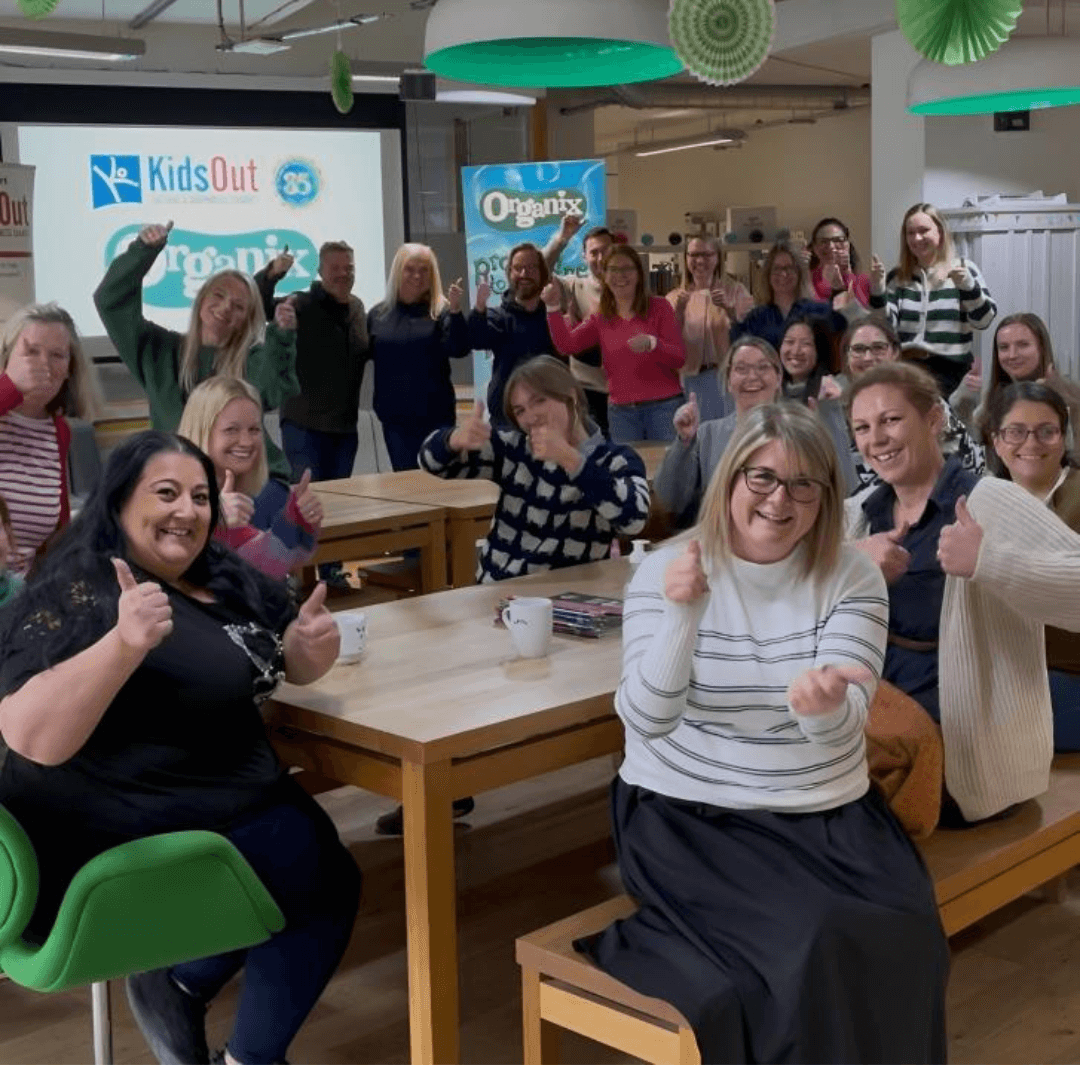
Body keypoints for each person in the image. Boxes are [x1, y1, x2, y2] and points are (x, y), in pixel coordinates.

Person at [579, 401, 948, 1064]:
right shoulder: (666, 569)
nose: (781, 501)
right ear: (730, 480)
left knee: (908, 929)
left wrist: (824, 708)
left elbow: (843, 739)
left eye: (805, 484)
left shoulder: (852, 575)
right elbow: (647, 719)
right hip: (691, 819)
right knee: (810, 944)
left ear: (827, 497)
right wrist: (682, 615)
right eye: (763, 479)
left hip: (828, 816)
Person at [0, 430, 358, 1065]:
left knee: (307, 866)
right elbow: (30, 737)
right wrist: (122, 644)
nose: (188, 510)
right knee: (323, 885)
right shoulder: (87, 583)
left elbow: (270, 659)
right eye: (165, 493)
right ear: (117, 503)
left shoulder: (216, 573)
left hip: (206, 801)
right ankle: (247, 1059)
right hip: (109, 835)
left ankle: (179, 982)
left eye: (199, 496)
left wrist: (304, 653)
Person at [846, 361, 1080, 824]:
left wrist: (990, 563)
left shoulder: (992, 501)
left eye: (891, 420)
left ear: (934, 419)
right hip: (880, 726)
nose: (877, 438)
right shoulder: (858, 513)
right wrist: (850, 562)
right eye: (862, 427)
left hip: (967, 756)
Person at [94, 220, 298, 526]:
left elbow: (270, 391)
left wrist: (281, 336)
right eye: (218, 295)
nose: (225, 307)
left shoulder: (251, 359)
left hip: (252, 481)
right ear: (201, 299)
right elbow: (111, 302)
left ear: (247, 319)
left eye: (239, 306)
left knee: (235, 542)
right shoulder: (159, 351)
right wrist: (143, 252)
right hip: (184, 484)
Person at [420, 355, 650, 582]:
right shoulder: (516, 448)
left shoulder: (616, 459)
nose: (530, 416)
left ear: (571, 397)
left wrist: (571, 459)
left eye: (539, 400)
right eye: (520, 411)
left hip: (570, 597)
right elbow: (431, 464)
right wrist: (453, 440)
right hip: (500, 590)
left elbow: (634, 520)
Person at [254, 240, 366, 588]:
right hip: (304, 427)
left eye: (348, 267)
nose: (342, 274)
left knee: (336, 508)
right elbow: (255, 305)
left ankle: (332, 574)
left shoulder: (359, 308)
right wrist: (272, 275)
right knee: (303, 504)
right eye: (335, 268)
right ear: (320, 272)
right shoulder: (301, 303)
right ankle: (293, 576)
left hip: (345, 429)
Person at [654, 338, 856, 527]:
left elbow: (845, 489)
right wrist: (684, 441)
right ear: (727, 382)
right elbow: (669, 499)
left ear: (778, 379)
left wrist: (829, 419)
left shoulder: (797, 429)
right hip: (722, 544)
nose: (752, 377)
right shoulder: (707, 434)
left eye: (762, 367)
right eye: (741, 369)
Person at [987, 382, 1080, 753]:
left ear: (1063, 435)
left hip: (1067, 674)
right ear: (995, 440)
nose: (1031, 443)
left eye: (1047, 431)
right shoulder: (984, 500)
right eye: (1016, 432)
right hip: (1004, 674)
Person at [177, 377, 322, 581]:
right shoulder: (167, 492)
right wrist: (211, 520)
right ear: (202, 431)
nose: (246, 442)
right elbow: (168, 567)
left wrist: (295, 518)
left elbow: (265, 565)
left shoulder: (235, 496)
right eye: (231, 430)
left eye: (254, 430)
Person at [543, 245, 686, 443]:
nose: (621, 275)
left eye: (627, 269)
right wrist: (552, 307)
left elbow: (678, 358)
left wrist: (654, 344)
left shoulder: (660, 307)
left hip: (664, 408)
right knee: (627, 471)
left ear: (639, 274)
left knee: (667, 471)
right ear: (604, 275)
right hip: (622, 413)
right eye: (614, 270)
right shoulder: (601, 317)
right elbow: (567, 345)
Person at [0, 303, 102, 576]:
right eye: (31, 352)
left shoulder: (59, 431)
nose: (43, 364)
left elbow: (59, 534)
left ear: (70, 368)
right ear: (7, 356)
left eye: (57, 355)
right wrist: (10, 387)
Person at [837, 314, 984, 502]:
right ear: (847, 357)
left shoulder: (923, 399)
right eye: (858, 349)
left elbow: (973, 465)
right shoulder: (833, 406)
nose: (868, 357)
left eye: (878, 348)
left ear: (895, 353)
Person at [868, 203, 996, 398]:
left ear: (940, 233)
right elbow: (884, 327)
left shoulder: (964, 269)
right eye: (910, 233)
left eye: (923, 231)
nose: (917, 238)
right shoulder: (898, 276)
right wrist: (878, 289)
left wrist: (968, 287)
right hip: (907, 369)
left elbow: (984, 320)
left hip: (952, 371)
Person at [365, 243, 470, 471]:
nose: (417, 276)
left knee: (439, 484)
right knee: (408, 487)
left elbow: (459, 348)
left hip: (436, 418)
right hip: (395, 421)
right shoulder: (377, 315)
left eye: (424, 270)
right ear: (397, 272)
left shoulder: (441, 311)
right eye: (410, 269)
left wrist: (455, 311)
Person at [951, 312, 1080, 449]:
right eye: (1004, 347)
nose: (1012, 355)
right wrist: (962, 408)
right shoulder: (994, 394)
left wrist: (1056, 404)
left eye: (1023, 345)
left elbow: (1073, 458)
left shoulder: (1071, 395)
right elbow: (979, 449)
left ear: (1041, 348)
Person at [468, 242, 558, 427]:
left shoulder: (554, 317)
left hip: (549, 420)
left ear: (542, 274)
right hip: (506, 422)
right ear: (509, 273)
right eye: (518, 268)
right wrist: (479, 310)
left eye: (531, 268)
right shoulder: (498, 317)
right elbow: (476, 339)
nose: (524, 274)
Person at [667, 233, 753, 422]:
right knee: (699, 440)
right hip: (690, 380)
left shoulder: (736, 290)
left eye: (707, 255)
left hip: (727, 378)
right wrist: (679, 313)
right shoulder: (674, 297)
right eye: (694, 255)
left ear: (717, 258)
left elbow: (751, 335)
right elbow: (668, 345)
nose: (699, 261)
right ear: (686, 258)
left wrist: (729, 310)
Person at [543, 216, 615, 434]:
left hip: (625, 394)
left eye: (606, 251)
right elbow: (542, 269)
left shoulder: (630, 291)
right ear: (585, 256)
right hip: (587, 393)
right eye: (594, 252)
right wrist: (562, 238)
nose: (600, 258)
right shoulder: (573, 287)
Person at [731, 242, 846, 349]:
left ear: (799, 273)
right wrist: (733, 316)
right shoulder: (756, 317)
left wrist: (838, 289)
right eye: (777, 269)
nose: (783, 274)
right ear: (768, 275)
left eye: (789, 268)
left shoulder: (817, 310)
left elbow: (844, 326)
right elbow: (737, 347)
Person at [807, 216, 871, 310]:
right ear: (815, 248)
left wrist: (847, 274)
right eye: (824, 241)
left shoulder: (864, 281)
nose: (831, 246)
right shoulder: (808, 281)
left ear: (847, 246)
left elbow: (862, 315)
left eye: (838, 240)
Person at [777, 315, 838, 406]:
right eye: (789, 342)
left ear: (819, 350)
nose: (796, 351)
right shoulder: (771, 388)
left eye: (806, 344)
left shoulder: (830, 390)